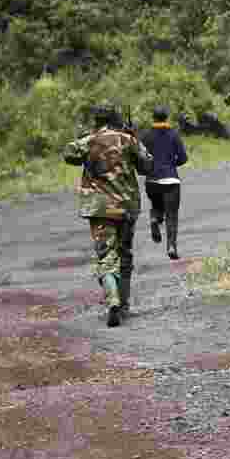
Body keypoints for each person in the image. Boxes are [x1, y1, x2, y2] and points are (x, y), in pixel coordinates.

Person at [63, 103, 153, 327]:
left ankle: (112, 299)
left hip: (99, 208)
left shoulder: (90, 140)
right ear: (116, 118)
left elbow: (69, 154)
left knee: (105, 256)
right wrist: (135, 137)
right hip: (125, 207)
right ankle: (123, 304)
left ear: (97, 120)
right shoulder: (128, 139)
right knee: (125, 254)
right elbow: (147, 165)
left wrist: (86, 138)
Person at [140, 105, 188, 259]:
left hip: (152, 181)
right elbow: (183, 158)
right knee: (172, 215)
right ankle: (171, 247)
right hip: (170, 180)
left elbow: (140, 157)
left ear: (153, 117)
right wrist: (172, 164)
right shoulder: (174, 135)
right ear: (166, 117)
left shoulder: (146, 136)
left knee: (156, 203)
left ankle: (155, 217)